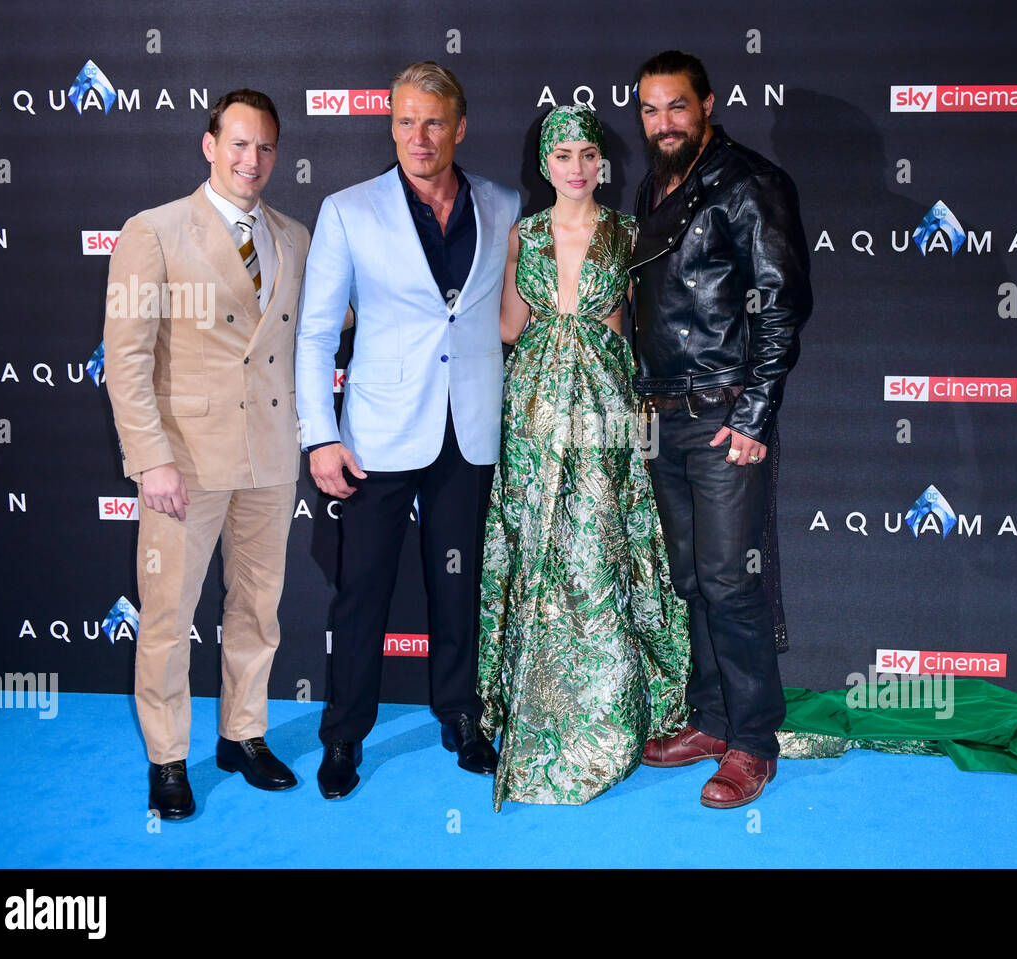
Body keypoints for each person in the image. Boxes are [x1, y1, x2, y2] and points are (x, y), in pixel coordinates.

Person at [295, 62, 521, 800]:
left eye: (433, 122)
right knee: (362, 592)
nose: (418, 137)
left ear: (460, 127)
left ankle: (461, 715)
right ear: (388, 125)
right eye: (403, 121)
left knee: (458, 588)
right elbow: (317, 333)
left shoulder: (505, 203)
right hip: (378, 435)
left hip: (470, 429)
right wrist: (318, 435)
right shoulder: (349, 210)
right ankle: (344, 737)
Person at [104, 89, 310, 820]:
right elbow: (126, 360)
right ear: (209, 144)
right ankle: (166, 756)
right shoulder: (153, 232)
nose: (251, 160)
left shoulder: (294, 235)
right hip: (183, 463)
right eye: (239, 144)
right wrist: (149, 459)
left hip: (269, 458)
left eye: (265, 148)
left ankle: (242, 734)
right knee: (167, 615)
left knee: (258, 606)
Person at [477, 105, 689, 811]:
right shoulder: (522, 235)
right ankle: (528, 708)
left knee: (597, 549)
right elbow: (512, 326)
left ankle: (609, 713)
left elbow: (634, 327)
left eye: (586, 153)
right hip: (535, 410)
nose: (574, 165)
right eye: (561, 153)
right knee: (535, 545)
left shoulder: (629, 233)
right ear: (545, 164)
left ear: (603, 163)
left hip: (604, 409)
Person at [629, 51, 813, 808]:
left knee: (732, 583)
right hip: (660, 415)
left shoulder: (750, 182)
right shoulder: (654, 185)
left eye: (677, 106)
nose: (663, 122)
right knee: (692, 578)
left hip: (722, 416)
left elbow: (782, 305)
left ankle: (753, 744)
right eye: (649, 109)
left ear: (707, 104)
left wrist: (753, 414)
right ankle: (710, 720)